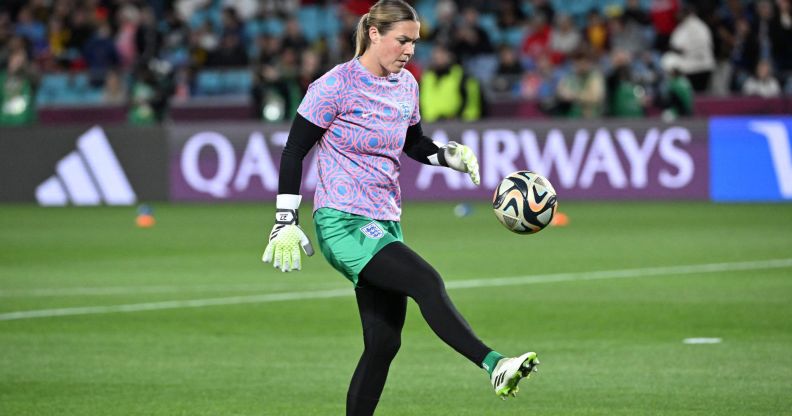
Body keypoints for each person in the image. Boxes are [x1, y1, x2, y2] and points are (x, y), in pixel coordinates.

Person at [260, 1, 539, 415]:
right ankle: (496, 364)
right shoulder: (335, 85)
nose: (409, 50)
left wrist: (447, 156)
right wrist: (285, 219)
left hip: (385, 221)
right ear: (374, 34)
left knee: (384, 342)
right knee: (425, 281)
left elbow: (413, 143)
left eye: (415, 42)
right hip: (343, 220)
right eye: (402, 39)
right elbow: (294, 150)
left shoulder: (406, 85)